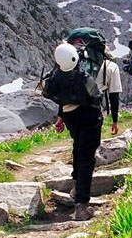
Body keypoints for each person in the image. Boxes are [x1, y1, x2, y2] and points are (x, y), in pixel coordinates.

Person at [47, 29, 122, 220]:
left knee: (77, 146)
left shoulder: (73, 63)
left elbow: (66, 91)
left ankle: (76, 185)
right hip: (91, 113)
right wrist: (114, 120)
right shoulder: (109, 66)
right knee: (87, 156)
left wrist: (60, 116)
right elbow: (113, 95)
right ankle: (81, 205)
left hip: (70, 113)